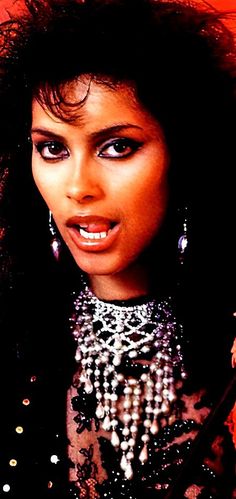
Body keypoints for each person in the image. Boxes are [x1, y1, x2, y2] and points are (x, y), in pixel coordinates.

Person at [0, 0, 235, 497]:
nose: (78, 186)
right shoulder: (14, 332)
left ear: (182, 155)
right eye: (53, 148)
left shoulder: (226, 337)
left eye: (117, 147)